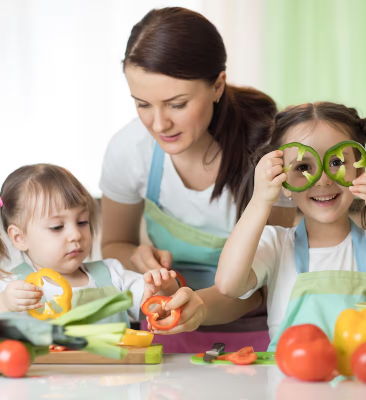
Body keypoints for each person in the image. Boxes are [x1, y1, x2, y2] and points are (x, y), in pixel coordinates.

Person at [99, 7, 295, 351]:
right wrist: (138, 257)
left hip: (259, 337)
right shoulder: (129, 150)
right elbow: (115, 244)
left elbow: (265, 282)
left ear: (217, 85)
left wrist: (198, 306)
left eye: (177, 104)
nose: (159, 124)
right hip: (163, 332)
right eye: (142, 104)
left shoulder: (268, 153)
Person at [215, 102, 366, 350]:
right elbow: (228, 285)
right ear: (284, 181)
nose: (323, 180)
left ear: (360, 168)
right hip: (288, 384)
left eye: (336, 163)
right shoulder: (276, 245)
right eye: (303, 167)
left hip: (360, 384)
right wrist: (260, 201)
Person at [0, 164, 178, 325]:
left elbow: (160, 309)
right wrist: (1, 304)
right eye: (57, 227)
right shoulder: (13, 288)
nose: (76, 234)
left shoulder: (113, 276)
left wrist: (165, 288)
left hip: (113, 383)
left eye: (82, 222)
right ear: (19, 237)